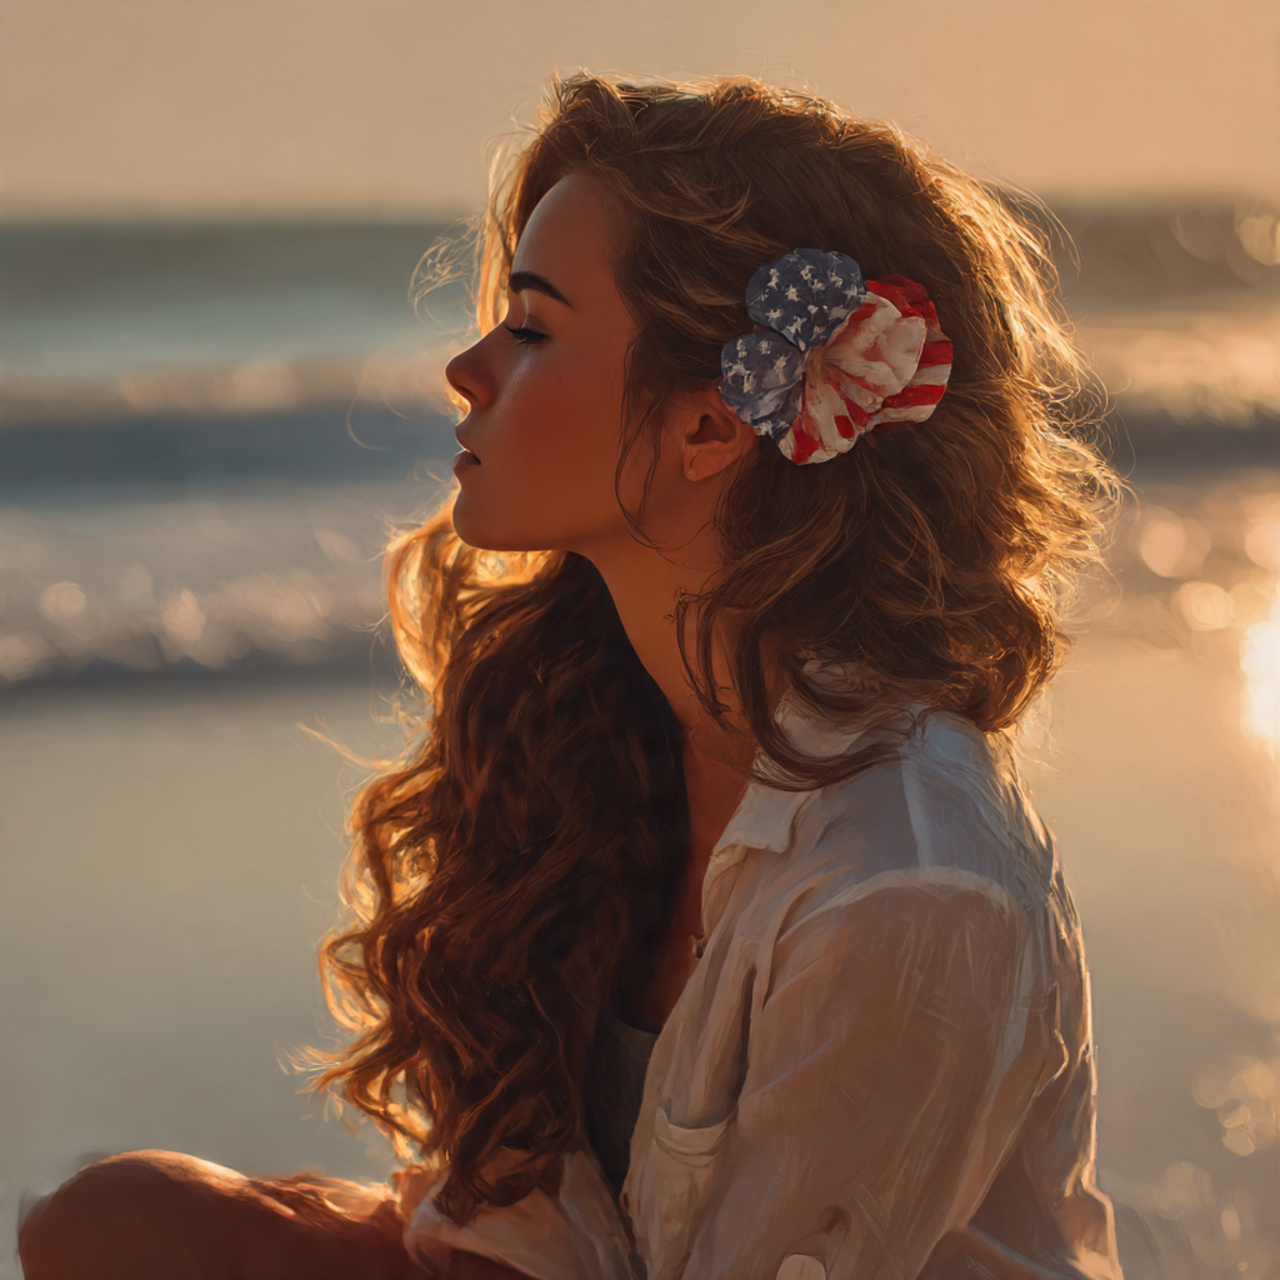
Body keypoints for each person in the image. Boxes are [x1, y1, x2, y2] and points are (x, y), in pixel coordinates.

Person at [19, 72, 1124, 1280]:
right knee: (113, 1220)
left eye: (532, 328)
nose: (466, 367)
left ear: (710, 427)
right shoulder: (607, 726)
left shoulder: (906, 884)